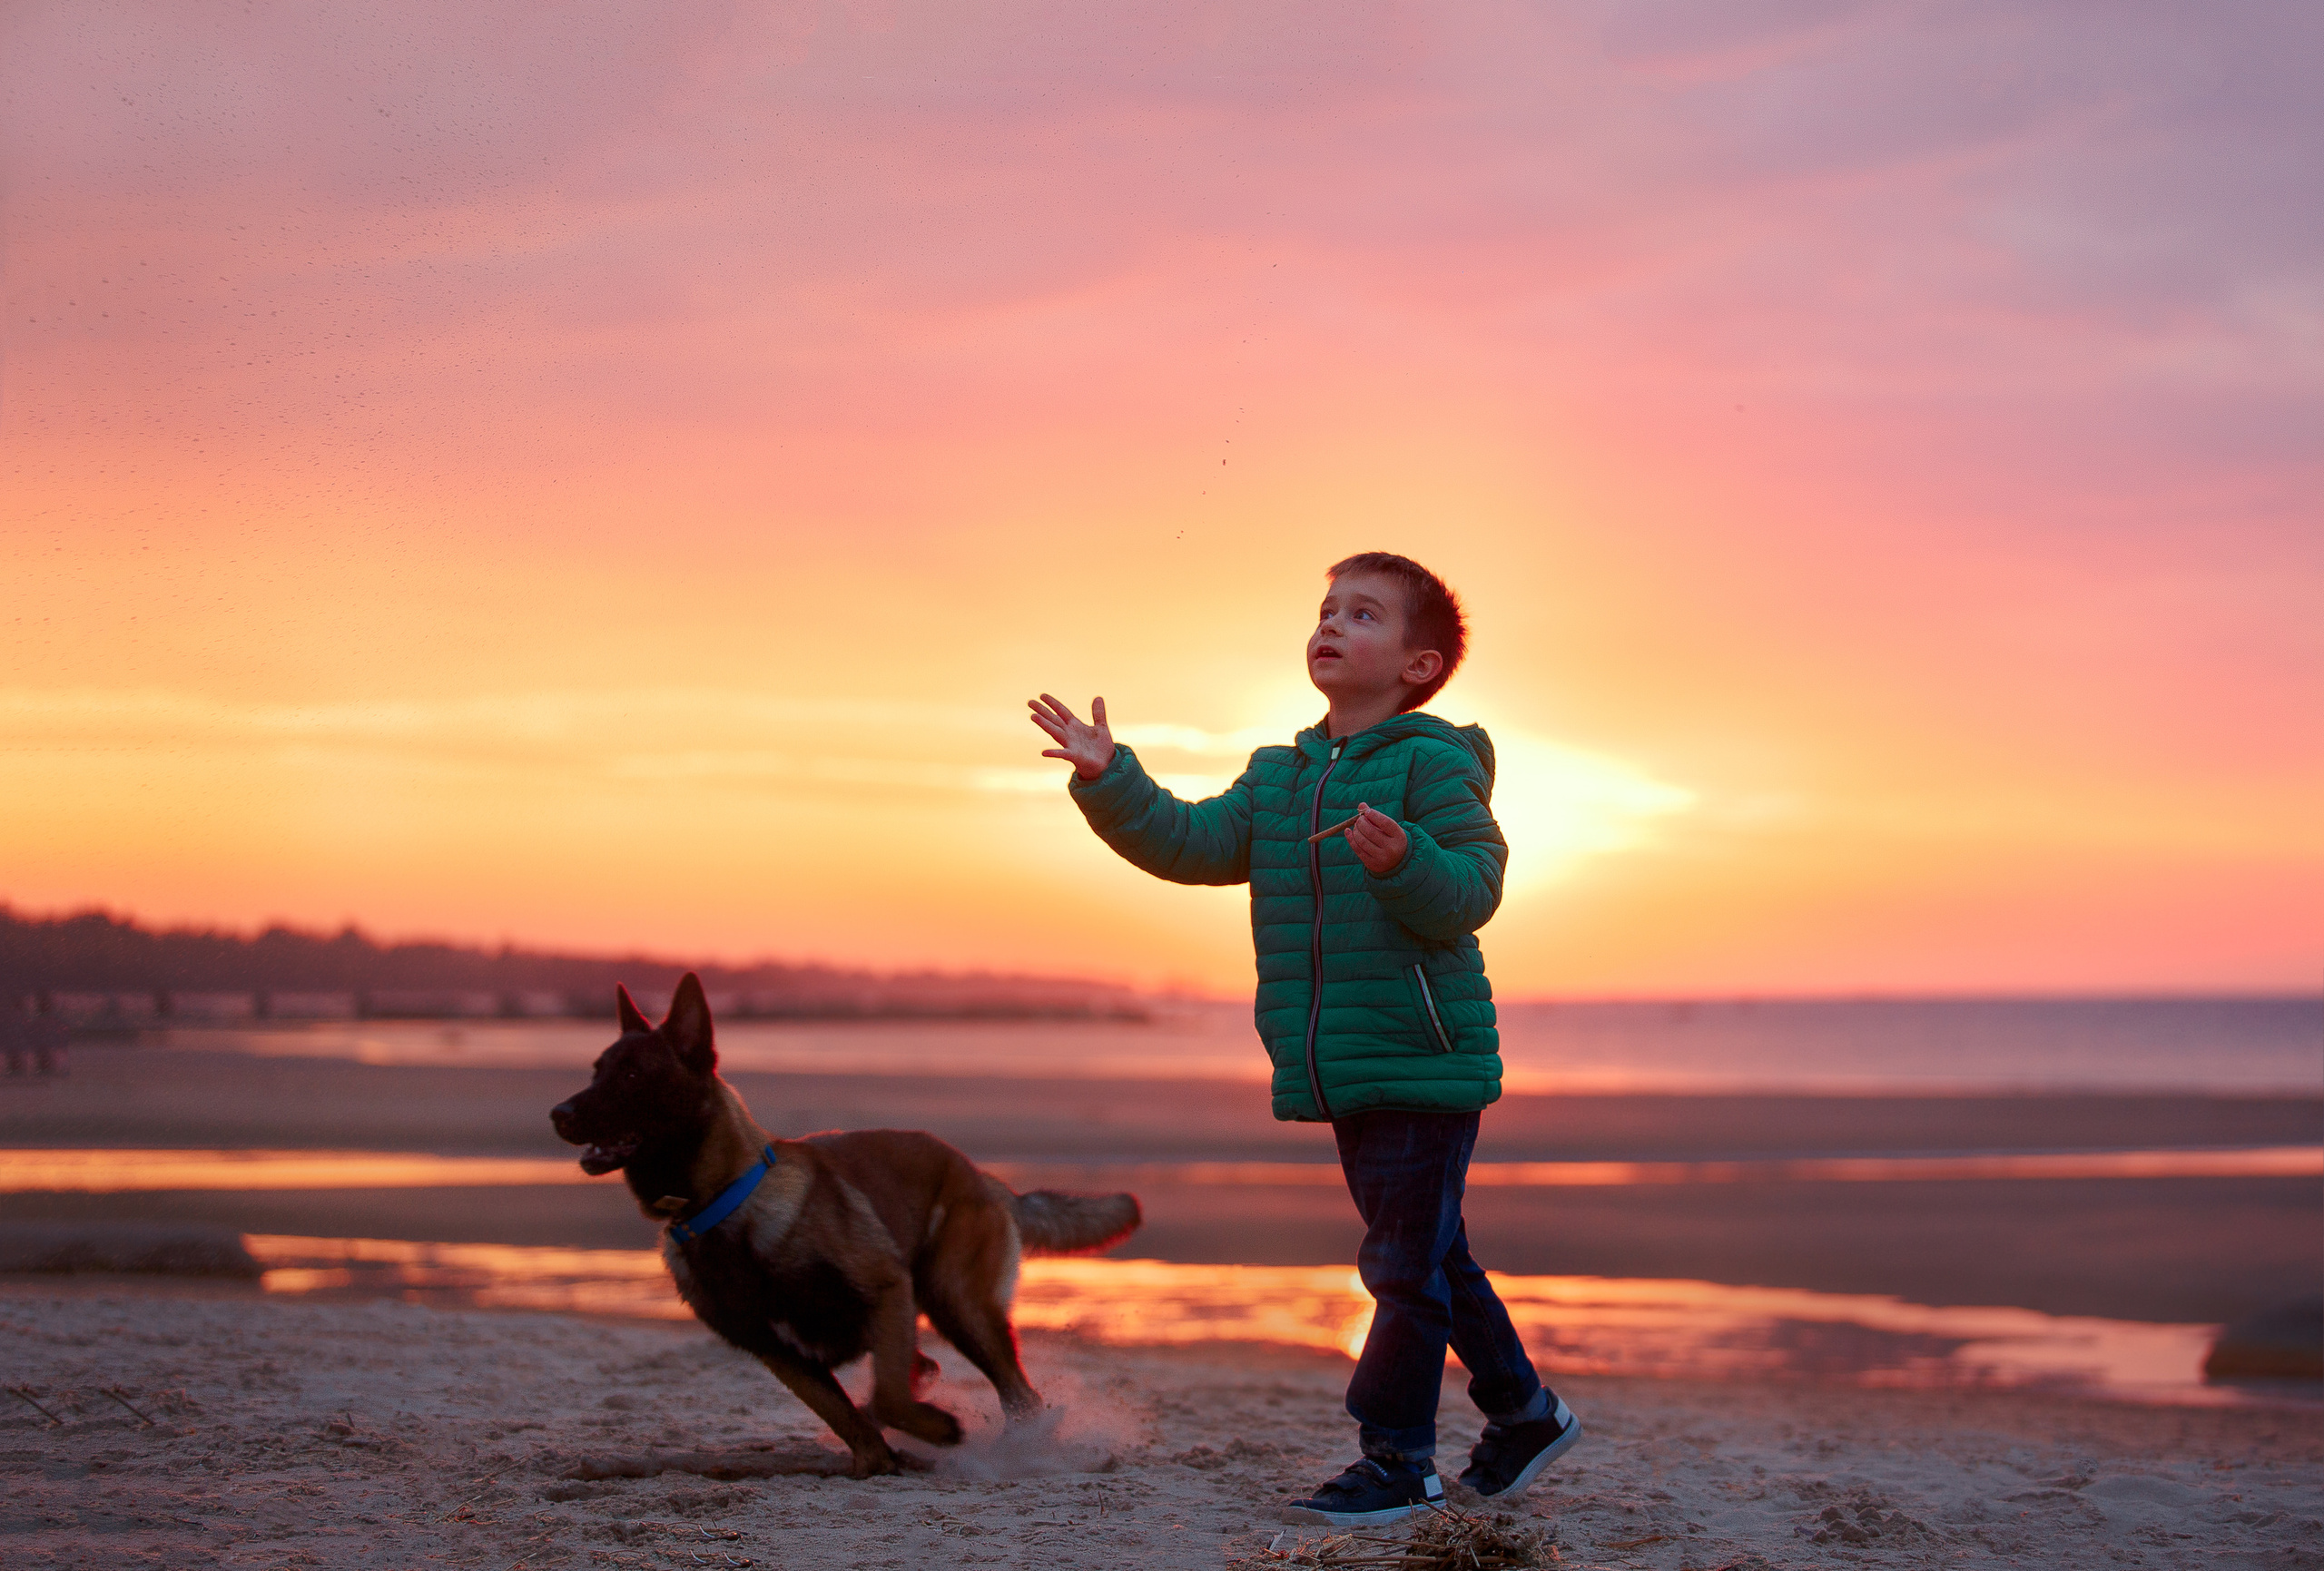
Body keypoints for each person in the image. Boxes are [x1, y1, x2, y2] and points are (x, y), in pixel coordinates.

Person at [1028, 551, 1581, 1527]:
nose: (1330, 624)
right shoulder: (1277, 776)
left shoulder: (1432, 762)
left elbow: (1474, 888)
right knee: (1432, 1257)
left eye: (1363, 614)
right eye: (1327, 609)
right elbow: (1193, 843)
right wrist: (1113, 778)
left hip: (1423, 1054)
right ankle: (1526, 1414)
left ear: (1416, 665)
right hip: (1340, 1063)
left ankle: (1398, 1460)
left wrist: (1405, 858)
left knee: (1400, 1267)